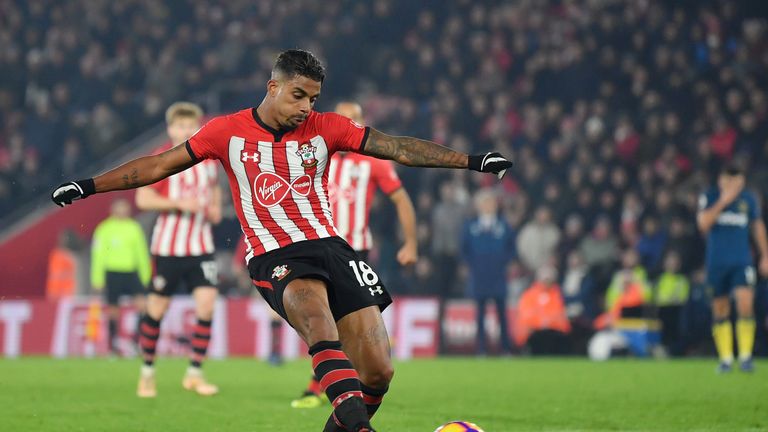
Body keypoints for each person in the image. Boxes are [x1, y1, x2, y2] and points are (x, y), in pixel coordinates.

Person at [51, 49, 512, 432]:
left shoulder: (328, 128)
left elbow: (396, 147)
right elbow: (157, 166)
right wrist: (88, 186)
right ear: (273, 87)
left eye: (312, 98)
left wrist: (472, 161)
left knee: (378, 371)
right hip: (274, 253)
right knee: (316, 319)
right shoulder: (225, 132)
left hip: (332, 246)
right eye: (298, 95)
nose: (306, 107)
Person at [291, 101, 418, 409]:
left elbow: (401, 199)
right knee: (322, 317)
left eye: (354, 120)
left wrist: (410, 243)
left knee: (341, 320)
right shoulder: (315, 153)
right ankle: (326, 384)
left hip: (353, 250)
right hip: (317, 246)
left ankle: (323, 386)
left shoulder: (372, 162)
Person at [133, 102, 223, 397]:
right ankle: (147, 373)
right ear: (171, 129)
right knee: (156, 309)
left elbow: (214, 188)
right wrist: (177, 203)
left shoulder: (207, 161)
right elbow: (142, 199)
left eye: (190, 126)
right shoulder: (160, 160)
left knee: (207, 305)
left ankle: (195, 373)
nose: (185, 131)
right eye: (180, 126)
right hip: (168, 247)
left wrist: (215, 207)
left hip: (201, 245)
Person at [697, 164, 768, 373]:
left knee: (745, 304)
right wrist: (724, 201)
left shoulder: (748, 200)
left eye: (737, 181)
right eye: (729, 180)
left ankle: (745, 357)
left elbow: (757, 226)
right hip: (716, 263)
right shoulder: (710, 197)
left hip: (741, 261)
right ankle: (726, 358)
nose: (733, 185)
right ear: (721, 180)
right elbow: (703, 224)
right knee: (720, 308)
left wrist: (765, 254)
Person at [90, 198, 150, 356]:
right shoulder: (104, 229)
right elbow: (98, 254)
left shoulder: (134, 227)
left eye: (125, 208)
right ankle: (113, 345)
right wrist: (97, 278)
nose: (123, 211)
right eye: (120, 208)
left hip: (131, 272)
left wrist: (145, 275)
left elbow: (141, 253)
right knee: (113, 310)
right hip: (112, 272)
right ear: (113, 210)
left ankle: (135, 340)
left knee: (143, 306)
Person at [460, 188, 515, 355]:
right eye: (484, 202)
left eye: (491, 202)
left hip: (498, 274)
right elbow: (464, 249)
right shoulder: (471, 226)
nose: (488, 206)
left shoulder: (503, 225)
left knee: (502, 313)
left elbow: (512, 248)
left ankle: (505, 348)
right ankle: (481, 349)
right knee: (480, 314)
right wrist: (470, 265)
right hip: (479, 275)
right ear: (478, 206)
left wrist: (506, 262)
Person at [514, 265, 571, 355]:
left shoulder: (560, 295)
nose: (546, 282)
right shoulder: (529, 295)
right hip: (535, 333)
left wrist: (548, 322)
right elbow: (526, 315)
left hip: (555, 332)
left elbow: (561, 314)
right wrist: (542, 322)